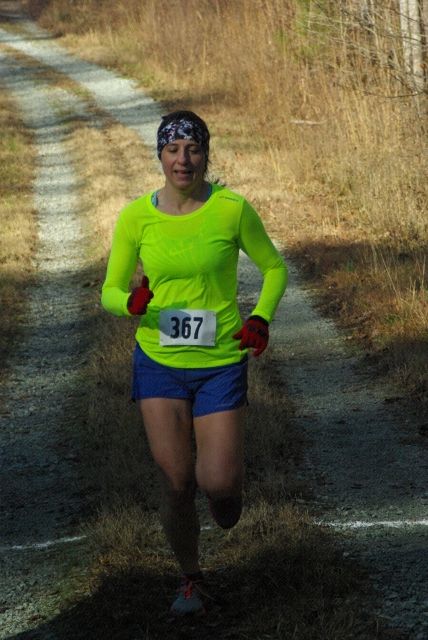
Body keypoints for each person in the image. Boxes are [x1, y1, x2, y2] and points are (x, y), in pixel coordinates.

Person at [101, 110, 287, 616]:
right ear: (160, 156)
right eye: (173, 150)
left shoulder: (231, 209)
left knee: (219, 484)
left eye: (193, 149)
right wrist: (130, 304)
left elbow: (274, 268)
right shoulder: (135, 217)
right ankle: (191, 579)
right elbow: (109, 291)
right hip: (158, 362)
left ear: (206, 155)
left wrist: (261, 317)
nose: (183, 160)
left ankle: (226, 495)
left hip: (220, 360)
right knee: (176, 481)